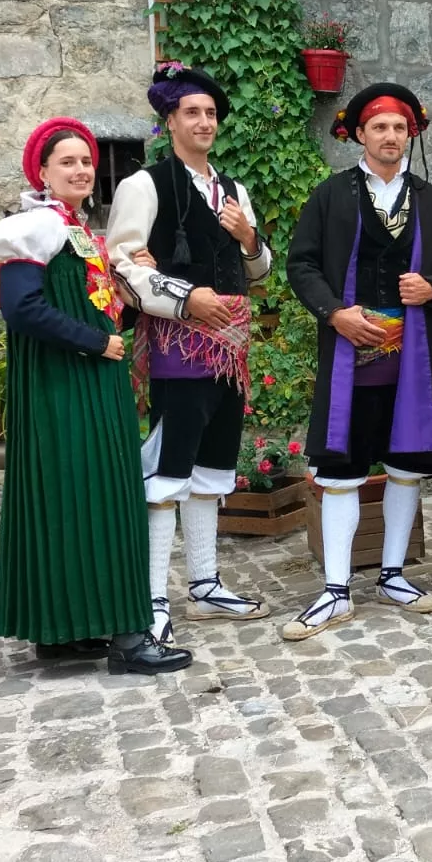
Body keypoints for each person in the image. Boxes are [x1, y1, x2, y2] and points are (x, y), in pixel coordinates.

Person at [0, 118, 192, 675]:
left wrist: (125, 289)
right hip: (67, 382)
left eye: (86, 161)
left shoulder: (75, 228)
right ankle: (129, 639)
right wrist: (96, 343)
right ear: (43, 173)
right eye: (67, 162)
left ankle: (62, 631)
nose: (81, 170)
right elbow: (21, 308)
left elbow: (83, 300)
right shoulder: (33, 227)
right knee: (107, 497)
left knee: (68, 501)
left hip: (84, 378)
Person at [283, 83, 432, 640]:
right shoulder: (330, 196)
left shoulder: (431, 200)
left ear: (411, 135)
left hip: (414, 356)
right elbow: (302, 264)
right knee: (342, 468)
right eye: (380, 127)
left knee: (405, 463)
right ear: (360, 135)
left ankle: (392, 574)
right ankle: (336, 590)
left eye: (399, 128)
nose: (391, 136)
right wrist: (335, 314)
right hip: (351, 353)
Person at [106, 64, 272, 645]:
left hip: (230, 346)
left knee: (212, 470)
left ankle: (204, 585)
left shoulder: (233, 190)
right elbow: (123, 265)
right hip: (179, 346)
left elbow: (257, 268)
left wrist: (249, 237)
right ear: (170, 121)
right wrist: (186, 299)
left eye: (210, 113)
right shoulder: (144, 185)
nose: (204, 122)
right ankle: (153, 597)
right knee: (169, 471)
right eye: (192, 113)